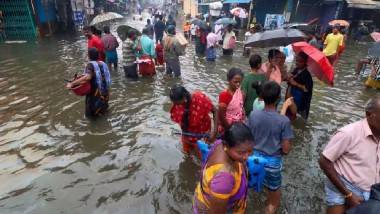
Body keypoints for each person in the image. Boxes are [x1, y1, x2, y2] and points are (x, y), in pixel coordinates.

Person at [319, 96, 380, 214]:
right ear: (369, 114)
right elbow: (324, 161)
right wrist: (348, 194)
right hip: (343, 187)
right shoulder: (348, 133)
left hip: (371, 190)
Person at [248, 81, 294, 214]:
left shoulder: (253, 114)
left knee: (253, 188)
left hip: (253, 159)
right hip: (272, 163)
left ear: (262, 96)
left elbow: (248, 138)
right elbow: (285, 149)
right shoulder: (283, 121)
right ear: (279, 98)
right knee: (273, 198)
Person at [193, 122, 253, 213]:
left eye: (250, 151)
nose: (246, 157)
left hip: (204, 195)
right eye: (241, 153)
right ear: (226, 146)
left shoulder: (219, 143)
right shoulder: (225, 179)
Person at [169, 85, 218, 154]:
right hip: (187, 135)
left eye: (177, 103)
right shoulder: (176, 105)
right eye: (173, 102)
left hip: (202, 133)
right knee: (186, 153)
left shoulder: (200, 99)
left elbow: (215, 111)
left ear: (184, 98)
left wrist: (214, 132)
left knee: (204, 156)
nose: (174, 105)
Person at [66, 48, 111, 118]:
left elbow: (88, 77)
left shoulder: (90, 65)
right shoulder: (102, 63)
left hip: (95, 94)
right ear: (98, 55)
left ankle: (94, 127)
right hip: (105, 92)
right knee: (103, 110)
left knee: (92, 116)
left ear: (89, 56)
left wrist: (72, 84)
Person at [286, 52, 313, 120]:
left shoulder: (307, 75)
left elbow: (306, 89)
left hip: (301, 99)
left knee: (297, 116)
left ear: (305, 62)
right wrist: (289, 76)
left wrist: (296, 84)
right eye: (296, 60)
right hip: (292, 95)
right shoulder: (296, 70)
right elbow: (290, 77)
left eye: (300, 61)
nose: (297, 63)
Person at [218, 68, 245, 134]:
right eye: (235, 82)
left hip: (238, 124)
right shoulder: (224, 95)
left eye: (240, 82)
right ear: (228, 80)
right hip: (228, 126)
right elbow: (221, 116)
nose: (238, 84)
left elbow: (241, 107)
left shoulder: (241, 93)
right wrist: (229, 129)